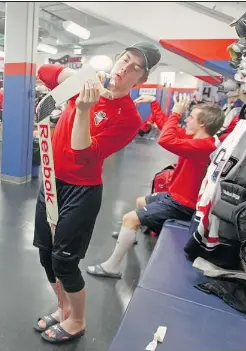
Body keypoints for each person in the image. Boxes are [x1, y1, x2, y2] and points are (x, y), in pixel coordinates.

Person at [33, 42, 161, 343]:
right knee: (45, 254)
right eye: (125, 59)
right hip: (52, 182)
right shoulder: (86, 84)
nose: (125, 68)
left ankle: (76, 320)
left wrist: (83, 109)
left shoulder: (129, 118)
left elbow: (82, 154)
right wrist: (79, 77)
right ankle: (64, 308)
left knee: (64, 261)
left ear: (141, 80)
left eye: (135, 67)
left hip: (82, 191)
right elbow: (43, 71)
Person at [86, 93, 225, 279]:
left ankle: (112, 267)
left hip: (182, 205)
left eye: (191, 117)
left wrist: (176, 113)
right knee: (139, 201)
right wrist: (154, 104)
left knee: (129, 219)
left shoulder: (204, 147)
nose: (187, 119)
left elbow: (165, 139)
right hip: (175, 195)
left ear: (202, 124)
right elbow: (165, 127)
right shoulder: (198, 140)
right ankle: (131, 235)